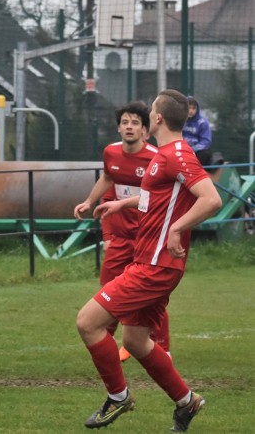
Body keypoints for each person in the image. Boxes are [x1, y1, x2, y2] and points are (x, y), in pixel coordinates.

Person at [76, 89, 222, 431]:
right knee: (136, 341)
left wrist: (177, 229)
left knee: (88, 323)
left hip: (155, 266)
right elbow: (156, 196)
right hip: (149, 260)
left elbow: (211, 199)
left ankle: (118, 397)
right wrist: (120, 204)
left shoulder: (178, 155)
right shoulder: (164, 155)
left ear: (156, 118)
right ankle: (187, 402)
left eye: (150, 108)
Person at [73, 101, 168, 363]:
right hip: (120, 235)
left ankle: (162, 347)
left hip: (146, 235)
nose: (129, 127)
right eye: (125, 122)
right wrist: (89, 201)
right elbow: (107, 178)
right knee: (109, 287)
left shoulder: (155, 158)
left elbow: (157, 196)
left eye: (135, 123)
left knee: (150, 294)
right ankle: (104, 338)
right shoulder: (111, 153)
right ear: (118, 128)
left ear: (145, 132)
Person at [183, 96, 212, 166]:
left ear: (197, 109)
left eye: (193, 108)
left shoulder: (203, 123)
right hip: (181, 149)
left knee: (204, 155)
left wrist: (194, 149)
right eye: (189, 108)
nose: (191, 111)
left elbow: (206, 141)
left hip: (197, 151)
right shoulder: (179, 120)